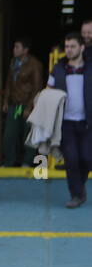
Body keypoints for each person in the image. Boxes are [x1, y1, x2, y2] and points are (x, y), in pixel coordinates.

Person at [48, 31, 90, 207]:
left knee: (87, 158)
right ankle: (76, 195)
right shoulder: (57, 68)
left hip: (88, 122)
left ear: (82, 47)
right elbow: (48, 91)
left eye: (73, 46)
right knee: (71, 159)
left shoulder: (90, 67)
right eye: (66, 46)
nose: (69, 50)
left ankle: (78, 188)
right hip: (65, 123)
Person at [2, 38, 45, 168]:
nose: (14, 49)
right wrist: (5, 101)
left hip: (27, 104)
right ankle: (9, 161)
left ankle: (27, 161)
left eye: (17, 47)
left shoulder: (35, 64)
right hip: (14, 104)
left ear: (25, 50)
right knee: (9, 134)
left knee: (28, 134)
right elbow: (9, 82)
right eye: (14, 47)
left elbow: (37, 87)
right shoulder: (13, 62)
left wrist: (29, 107)